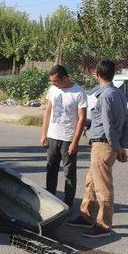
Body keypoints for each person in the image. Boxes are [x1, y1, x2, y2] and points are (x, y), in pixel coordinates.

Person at [66, 60, 128, 238]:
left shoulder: (105, 96)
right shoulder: (119, 94)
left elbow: (109, 126)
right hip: (104, 144)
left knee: (103, 187)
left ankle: (104, 225)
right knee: (91, 182)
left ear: (97, 74)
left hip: (104, 145)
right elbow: (127, 121)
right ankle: (86, 216)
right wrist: (122, 145)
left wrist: (117, 147)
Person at [41, 65, 88, 210]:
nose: (53, 84)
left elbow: (82, 119)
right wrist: (44, 133)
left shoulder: (79, 93)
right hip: (52, 137)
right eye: (52, 82)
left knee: (69, 174)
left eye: (56, 81)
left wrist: (75, 142)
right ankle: (51, 202)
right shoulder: (53, 90)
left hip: (68, 139)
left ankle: (68, 205)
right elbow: (48, 111)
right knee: (51, 171)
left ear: (65, 78)